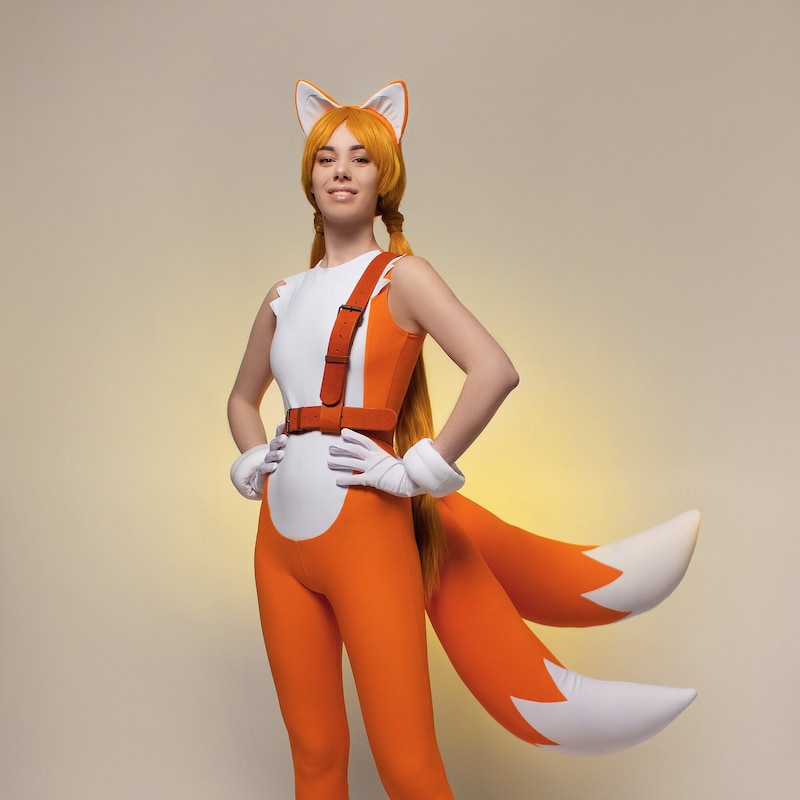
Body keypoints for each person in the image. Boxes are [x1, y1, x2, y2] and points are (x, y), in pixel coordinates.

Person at [228, 80, 699, 799]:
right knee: (315, 756)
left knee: (406, 764)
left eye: (360, 157)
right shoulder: (281, 294)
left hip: (366, 534)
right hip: (278, 547)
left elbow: (494, 370)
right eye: (326, 158)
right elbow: (243, 397)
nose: (342, 171)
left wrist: (418, 468)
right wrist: (252, 454)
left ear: (385, 176)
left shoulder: (403, 278)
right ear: (309, 177)